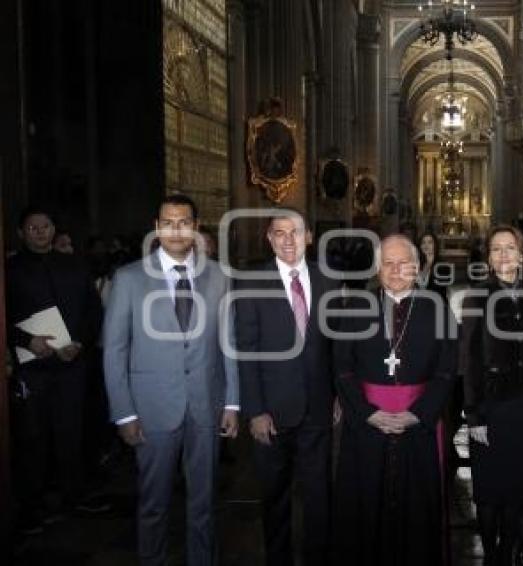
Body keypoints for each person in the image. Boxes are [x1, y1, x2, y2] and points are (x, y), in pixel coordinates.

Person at [103, 194, 239, 566]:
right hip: (151, 408)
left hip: (205, 405)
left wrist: (232, 402)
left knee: (205, 503)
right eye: (168, 222)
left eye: (184, 222)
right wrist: (124, 414)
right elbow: (113, 350)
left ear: (195, 227)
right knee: (153, 503)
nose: (176, 230)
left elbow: (229, 343)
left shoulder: (219, 277)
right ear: (156, 227)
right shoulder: (129, 278)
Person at [333, 234, 457, 566]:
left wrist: (419, 413)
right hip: (367, 425)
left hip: (418, 425)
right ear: (377, 267)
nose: (396, 269)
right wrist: (365, 412)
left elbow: (447, 371)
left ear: (417, 268)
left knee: (417, 508)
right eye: (388, 263)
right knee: (364, 502)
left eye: (404, 263)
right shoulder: (358, 306)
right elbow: (342, 368)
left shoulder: (436, 308)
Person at [235, 208, 337, 566]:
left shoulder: (328, 280)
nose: (288, 239)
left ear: (309, 235)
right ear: (269, 238)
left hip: (318, 410)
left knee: (319, 498)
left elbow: (334, 345)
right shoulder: (250, 283)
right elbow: (244, 352)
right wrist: (255, 411)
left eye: (294, 231)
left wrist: (337, 394)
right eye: (279, 233)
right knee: (274, 500)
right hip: (271, 414)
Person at [6, 206, 104, 534]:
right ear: (21, 233)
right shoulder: (10, 269)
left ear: (53, 229)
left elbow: (92, 310)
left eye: (45, 226)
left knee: (71, 432)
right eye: (32, 228)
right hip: (32, 366)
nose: (40, 232)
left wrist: (80, 343)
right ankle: (30, 507)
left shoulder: (74, 265)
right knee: (31, 438)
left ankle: (73, 497)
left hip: (71, 363)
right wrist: (25, 340)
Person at [461, 225, 523, 566]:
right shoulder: (477, 297)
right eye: (496, 249)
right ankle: (493, 555)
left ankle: (509, 550)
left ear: (521, 253)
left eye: (510, 248)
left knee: (517, 490)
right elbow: (468, 360)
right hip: (492, 409)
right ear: (489, 258)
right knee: (489, 492)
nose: (504, 255)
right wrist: (473, 414)